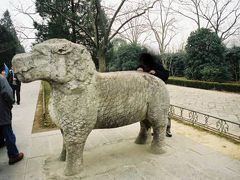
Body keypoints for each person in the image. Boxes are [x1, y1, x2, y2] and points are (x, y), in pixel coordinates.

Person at [137, 53, 172, 137]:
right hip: (147, 94)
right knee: (149, 114)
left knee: (163, 112)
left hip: (159, 93)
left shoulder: (158, 66)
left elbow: (166, 75)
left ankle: (167, 129)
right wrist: (139, 69)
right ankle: (148, 130)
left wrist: (156, 72)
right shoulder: (142, 66)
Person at [0, 63, 24, 164]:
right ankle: (13, 155)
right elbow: (8, 94)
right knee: (8, 132)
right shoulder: (1, 79)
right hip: (1, 112)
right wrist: (10, 105)